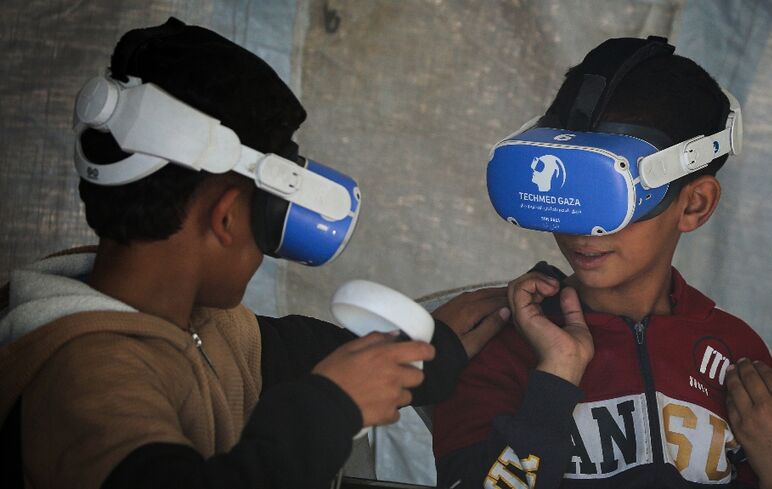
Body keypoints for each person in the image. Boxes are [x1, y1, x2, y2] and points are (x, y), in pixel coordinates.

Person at [0, 18, 510, 489]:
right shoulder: (86, 378)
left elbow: (286, 351)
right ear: (225, 218)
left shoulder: (184, 318)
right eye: (268, 218)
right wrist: (330, 409)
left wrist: (431, 351)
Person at [433, 36, 772, 489]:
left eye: (608, 198)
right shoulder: (499, 346)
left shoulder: (737, 354)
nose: (582, 227)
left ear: (694, 205)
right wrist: (554, 379)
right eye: (567, 196)